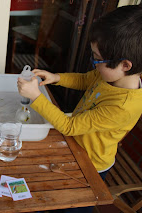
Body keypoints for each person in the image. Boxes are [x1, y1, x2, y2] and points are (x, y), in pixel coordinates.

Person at [17, 5, 142, 213]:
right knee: (57, 196)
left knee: (75, 204)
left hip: (90, 164)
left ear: (125, 65)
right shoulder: (110, 78)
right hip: (75, 146)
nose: (94, 64)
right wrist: (56, 78)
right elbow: (85, 80)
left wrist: (36, 97)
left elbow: (69, 125)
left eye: (97, 58)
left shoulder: (122, 106)